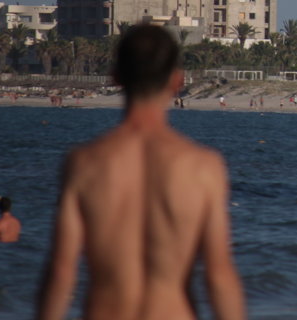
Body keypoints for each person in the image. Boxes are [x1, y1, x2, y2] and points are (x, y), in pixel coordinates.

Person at [35, 24, 245, 320]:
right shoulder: (203, 168)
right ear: (177, 80)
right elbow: (218, 275)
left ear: (115, 76)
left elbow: (61, 272)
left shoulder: (85, 164)